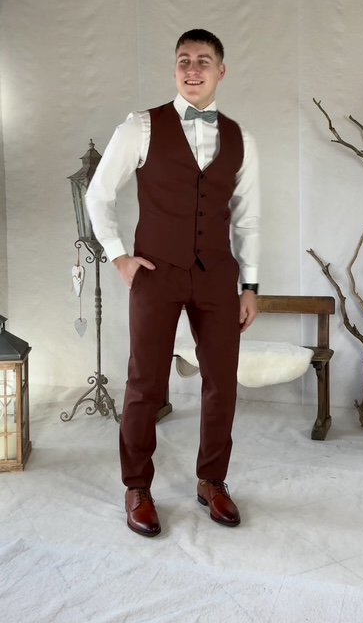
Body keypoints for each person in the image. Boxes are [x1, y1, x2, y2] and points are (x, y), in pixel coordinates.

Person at [85, 29, 261, 537]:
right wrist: (120, 257)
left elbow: (248, 219)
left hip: (218, 276)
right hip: (156, 273)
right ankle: (137, 487)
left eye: (203, 60)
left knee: (222, 382)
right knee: (146, 383)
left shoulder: (242, 139)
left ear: (220, 71)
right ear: (175, 69)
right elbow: (98, 194)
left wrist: (250, 286)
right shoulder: (140, 126)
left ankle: (212, 481)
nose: (192, 69)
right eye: (184, 60)